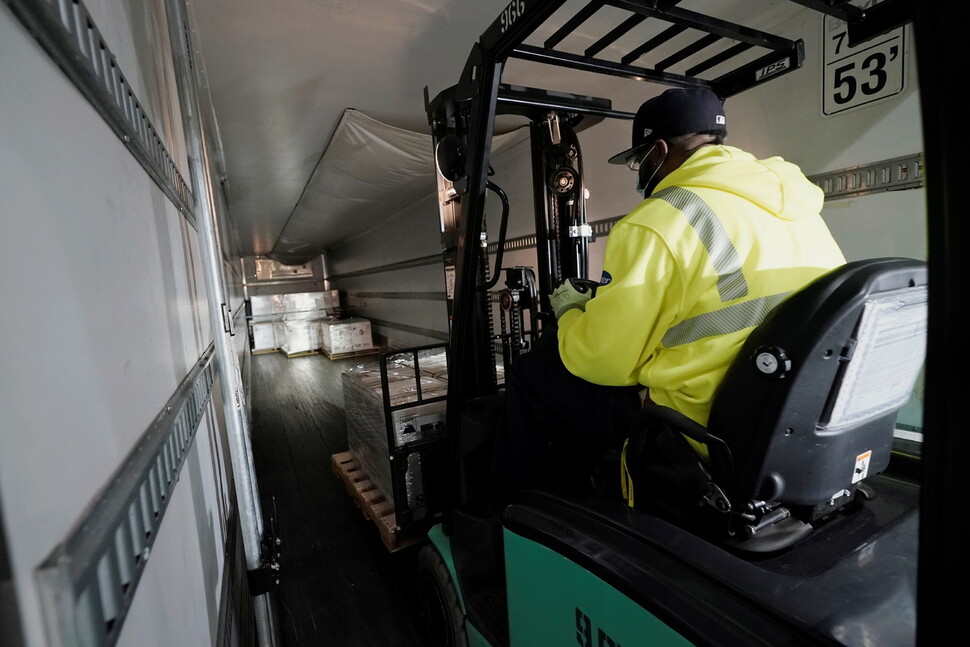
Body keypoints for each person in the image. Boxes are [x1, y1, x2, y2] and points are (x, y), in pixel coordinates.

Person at [491, 86, 846, 497]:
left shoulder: (660, 219)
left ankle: (510, 506)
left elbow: (602, 361)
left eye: (638, 161)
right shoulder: (795, 207)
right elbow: (715, 304)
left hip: (698, 422)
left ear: (658, 152)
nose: (640, 172)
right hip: (789, 410)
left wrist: (571, 312)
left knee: (531, 376)